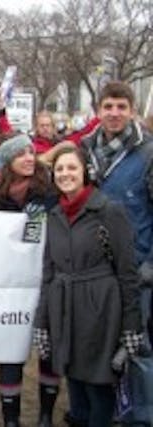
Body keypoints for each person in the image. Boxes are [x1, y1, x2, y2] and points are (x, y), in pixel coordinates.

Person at [34, 146, 143, 427]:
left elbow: (128, 272)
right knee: (75, 385)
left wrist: (131, 325)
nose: (65, 174)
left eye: (72, 167)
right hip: (64, 309)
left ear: (86, 172)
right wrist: (42, 323)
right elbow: (48, 272)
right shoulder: (55, 215)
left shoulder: (108, 211)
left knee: (98, 386)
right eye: (59, 169)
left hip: (100, 309)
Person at [81, 81, 153, 426]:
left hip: (136, 269)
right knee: (99, 344)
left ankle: (141, 417)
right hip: (92, 269)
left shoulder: (148, 153)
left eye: (121, 107)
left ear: (132, 111)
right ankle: (104, 411)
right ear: (98, 110)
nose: (114, 113)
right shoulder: (83, 151)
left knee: (137, 347)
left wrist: (150, 264)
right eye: (108, 106)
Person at [0, 134, 59, 427]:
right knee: (11, 350)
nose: (30, 158)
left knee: (48, 349)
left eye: (31, 152)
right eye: (21, 154)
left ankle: (45, 415)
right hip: (10, 286)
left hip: (46, 282)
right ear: (7, 162)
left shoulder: (49, 192)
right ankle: (10, 419)